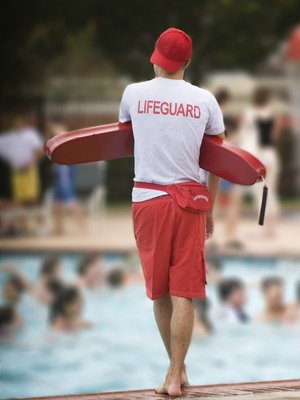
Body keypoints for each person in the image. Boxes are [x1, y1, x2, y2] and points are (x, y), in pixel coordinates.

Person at [119, 27, 225, 396]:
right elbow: (218, 162)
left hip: (147, 200)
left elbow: (125, 137)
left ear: (155, 57)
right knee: (185, 293)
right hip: (190, 202)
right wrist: (210, 208)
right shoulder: (206, 101)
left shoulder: (133, 94)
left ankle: (174, 372)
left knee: (160, 292)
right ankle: (175, 373)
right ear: (187, 62)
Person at [240, 86, 281, 236]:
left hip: (258, 157)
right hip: (271, 156)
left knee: (260, 193)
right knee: (271, 192)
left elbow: (245, 134)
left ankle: (263, 228)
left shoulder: (250, 113)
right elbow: (274, 136)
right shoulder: (272, 113)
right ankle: (272, 228)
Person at [47, 120, 86, 235]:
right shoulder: (55, 142)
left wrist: (54, 129)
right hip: (59, 177)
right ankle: (58, 228)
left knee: (71, 203)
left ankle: (83, 227)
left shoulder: (66, 140)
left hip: (65, 177)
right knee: (56, 204)